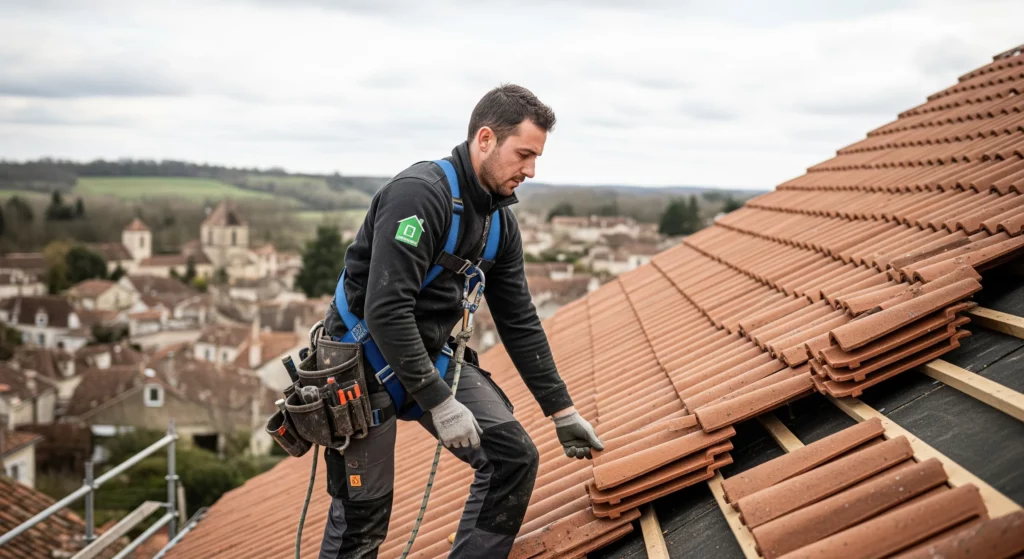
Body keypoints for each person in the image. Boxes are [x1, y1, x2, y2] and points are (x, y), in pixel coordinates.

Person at [317, 84, 604, 558]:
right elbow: (385, 310)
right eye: (524, 154)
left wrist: (562, 410)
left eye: (537, 158)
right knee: (363, 520)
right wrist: (439, 403)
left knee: (513, 459)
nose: (531, 171)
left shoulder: (498, 224)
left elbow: (519, 321)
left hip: (426, 355)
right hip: (361, 359)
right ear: (486, 139)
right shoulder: (418, 197)